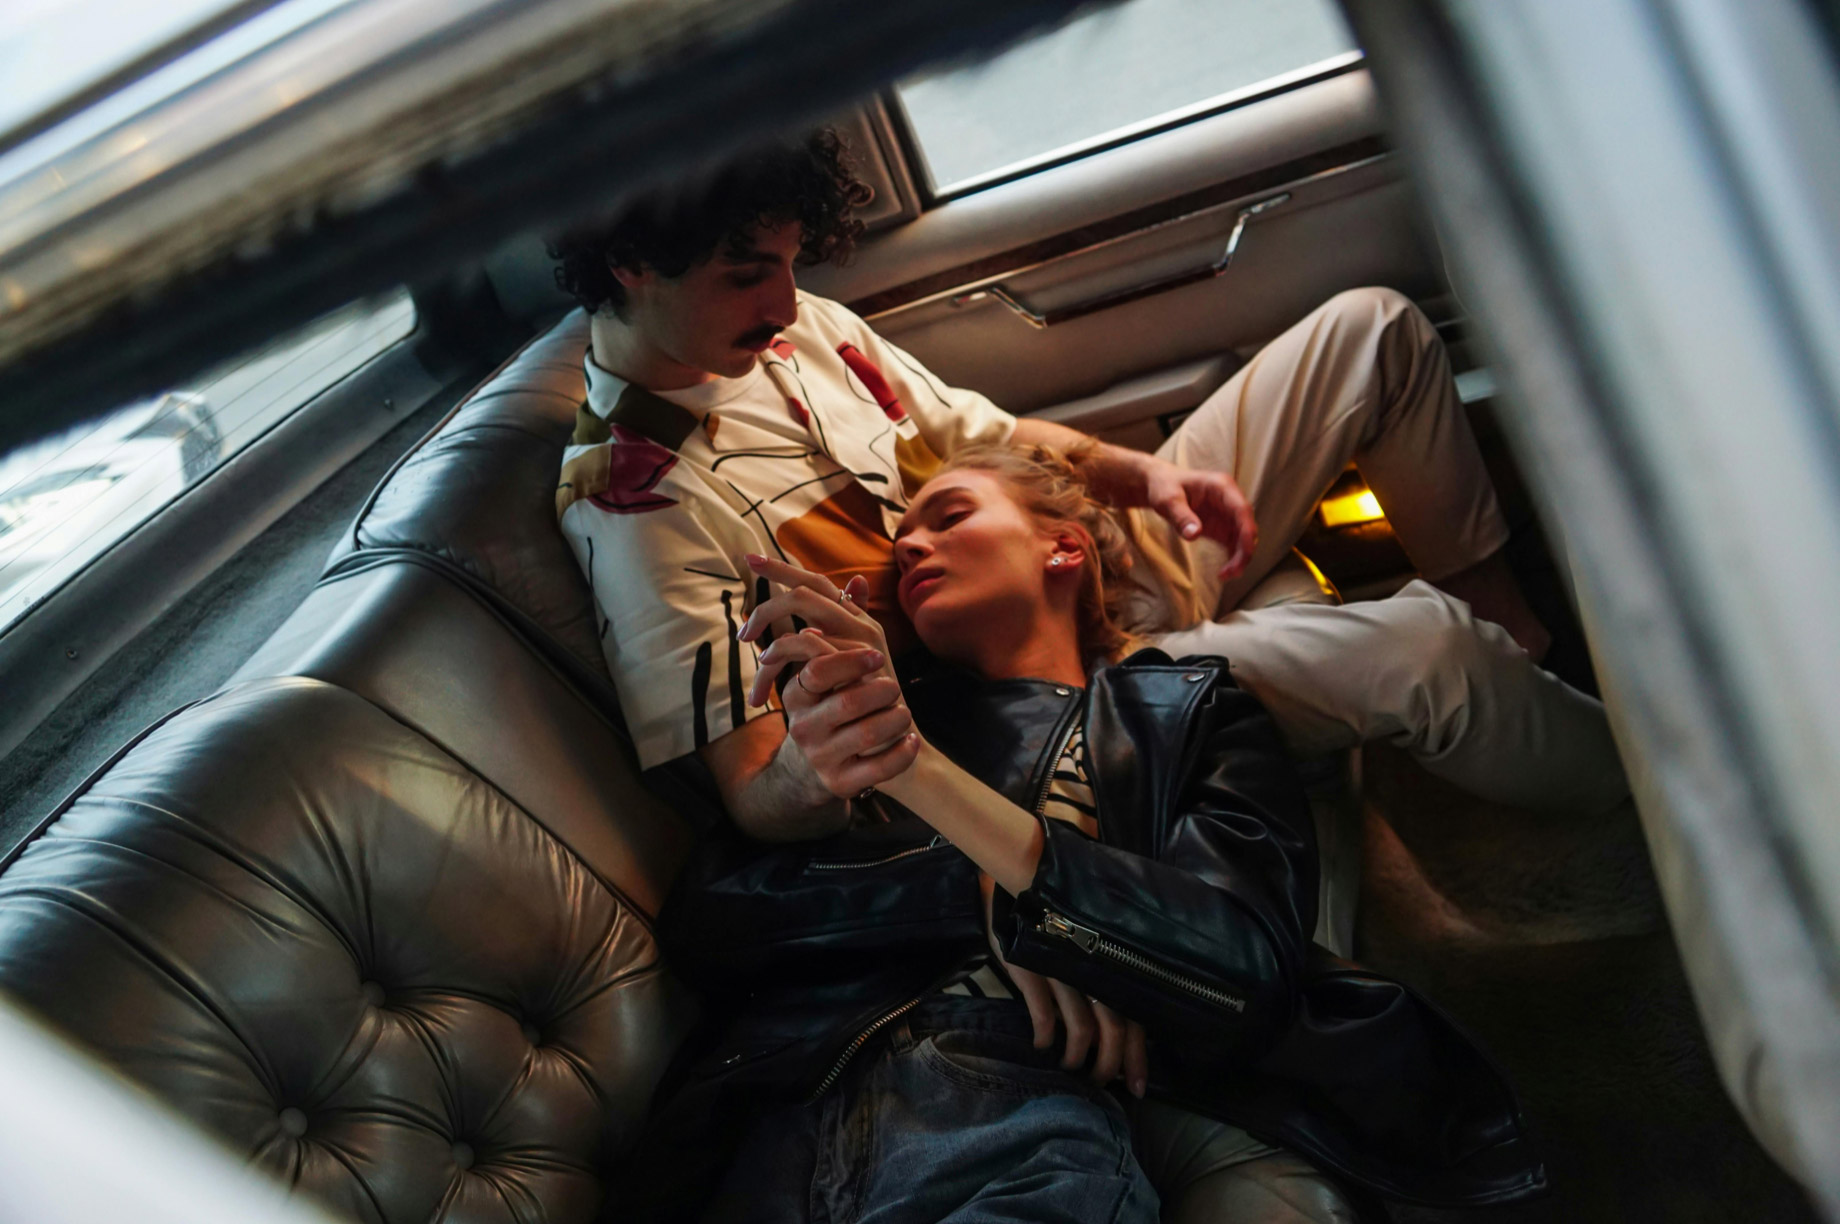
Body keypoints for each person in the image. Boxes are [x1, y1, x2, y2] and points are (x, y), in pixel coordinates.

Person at [551, 129, 1627, 852]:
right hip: (1058, 689)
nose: (789, 304)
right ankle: (1663, 796)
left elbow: (993, 438)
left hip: (1078, 553)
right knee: (1425, 649)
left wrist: (1145, 476)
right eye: (749, 274)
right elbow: (753, 793)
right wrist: (819, 761)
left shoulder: (806, 330)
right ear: (634, 262)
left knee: (1374, 330)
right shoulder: (634, 504)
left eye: (792, 265)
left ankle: (1524, 642)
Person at [629, 444, 1544, 1223]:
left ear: (1062, 546)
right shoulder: (866, 715)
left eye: (950, 515)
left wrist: (945, 799)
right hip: (787, 1103)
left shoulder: (1188, 714)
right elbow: (713, 919)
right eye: (903, 534)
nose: (909, 543)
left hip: (1023, 1103)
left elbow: (1240, 966)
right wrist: (982, 888)